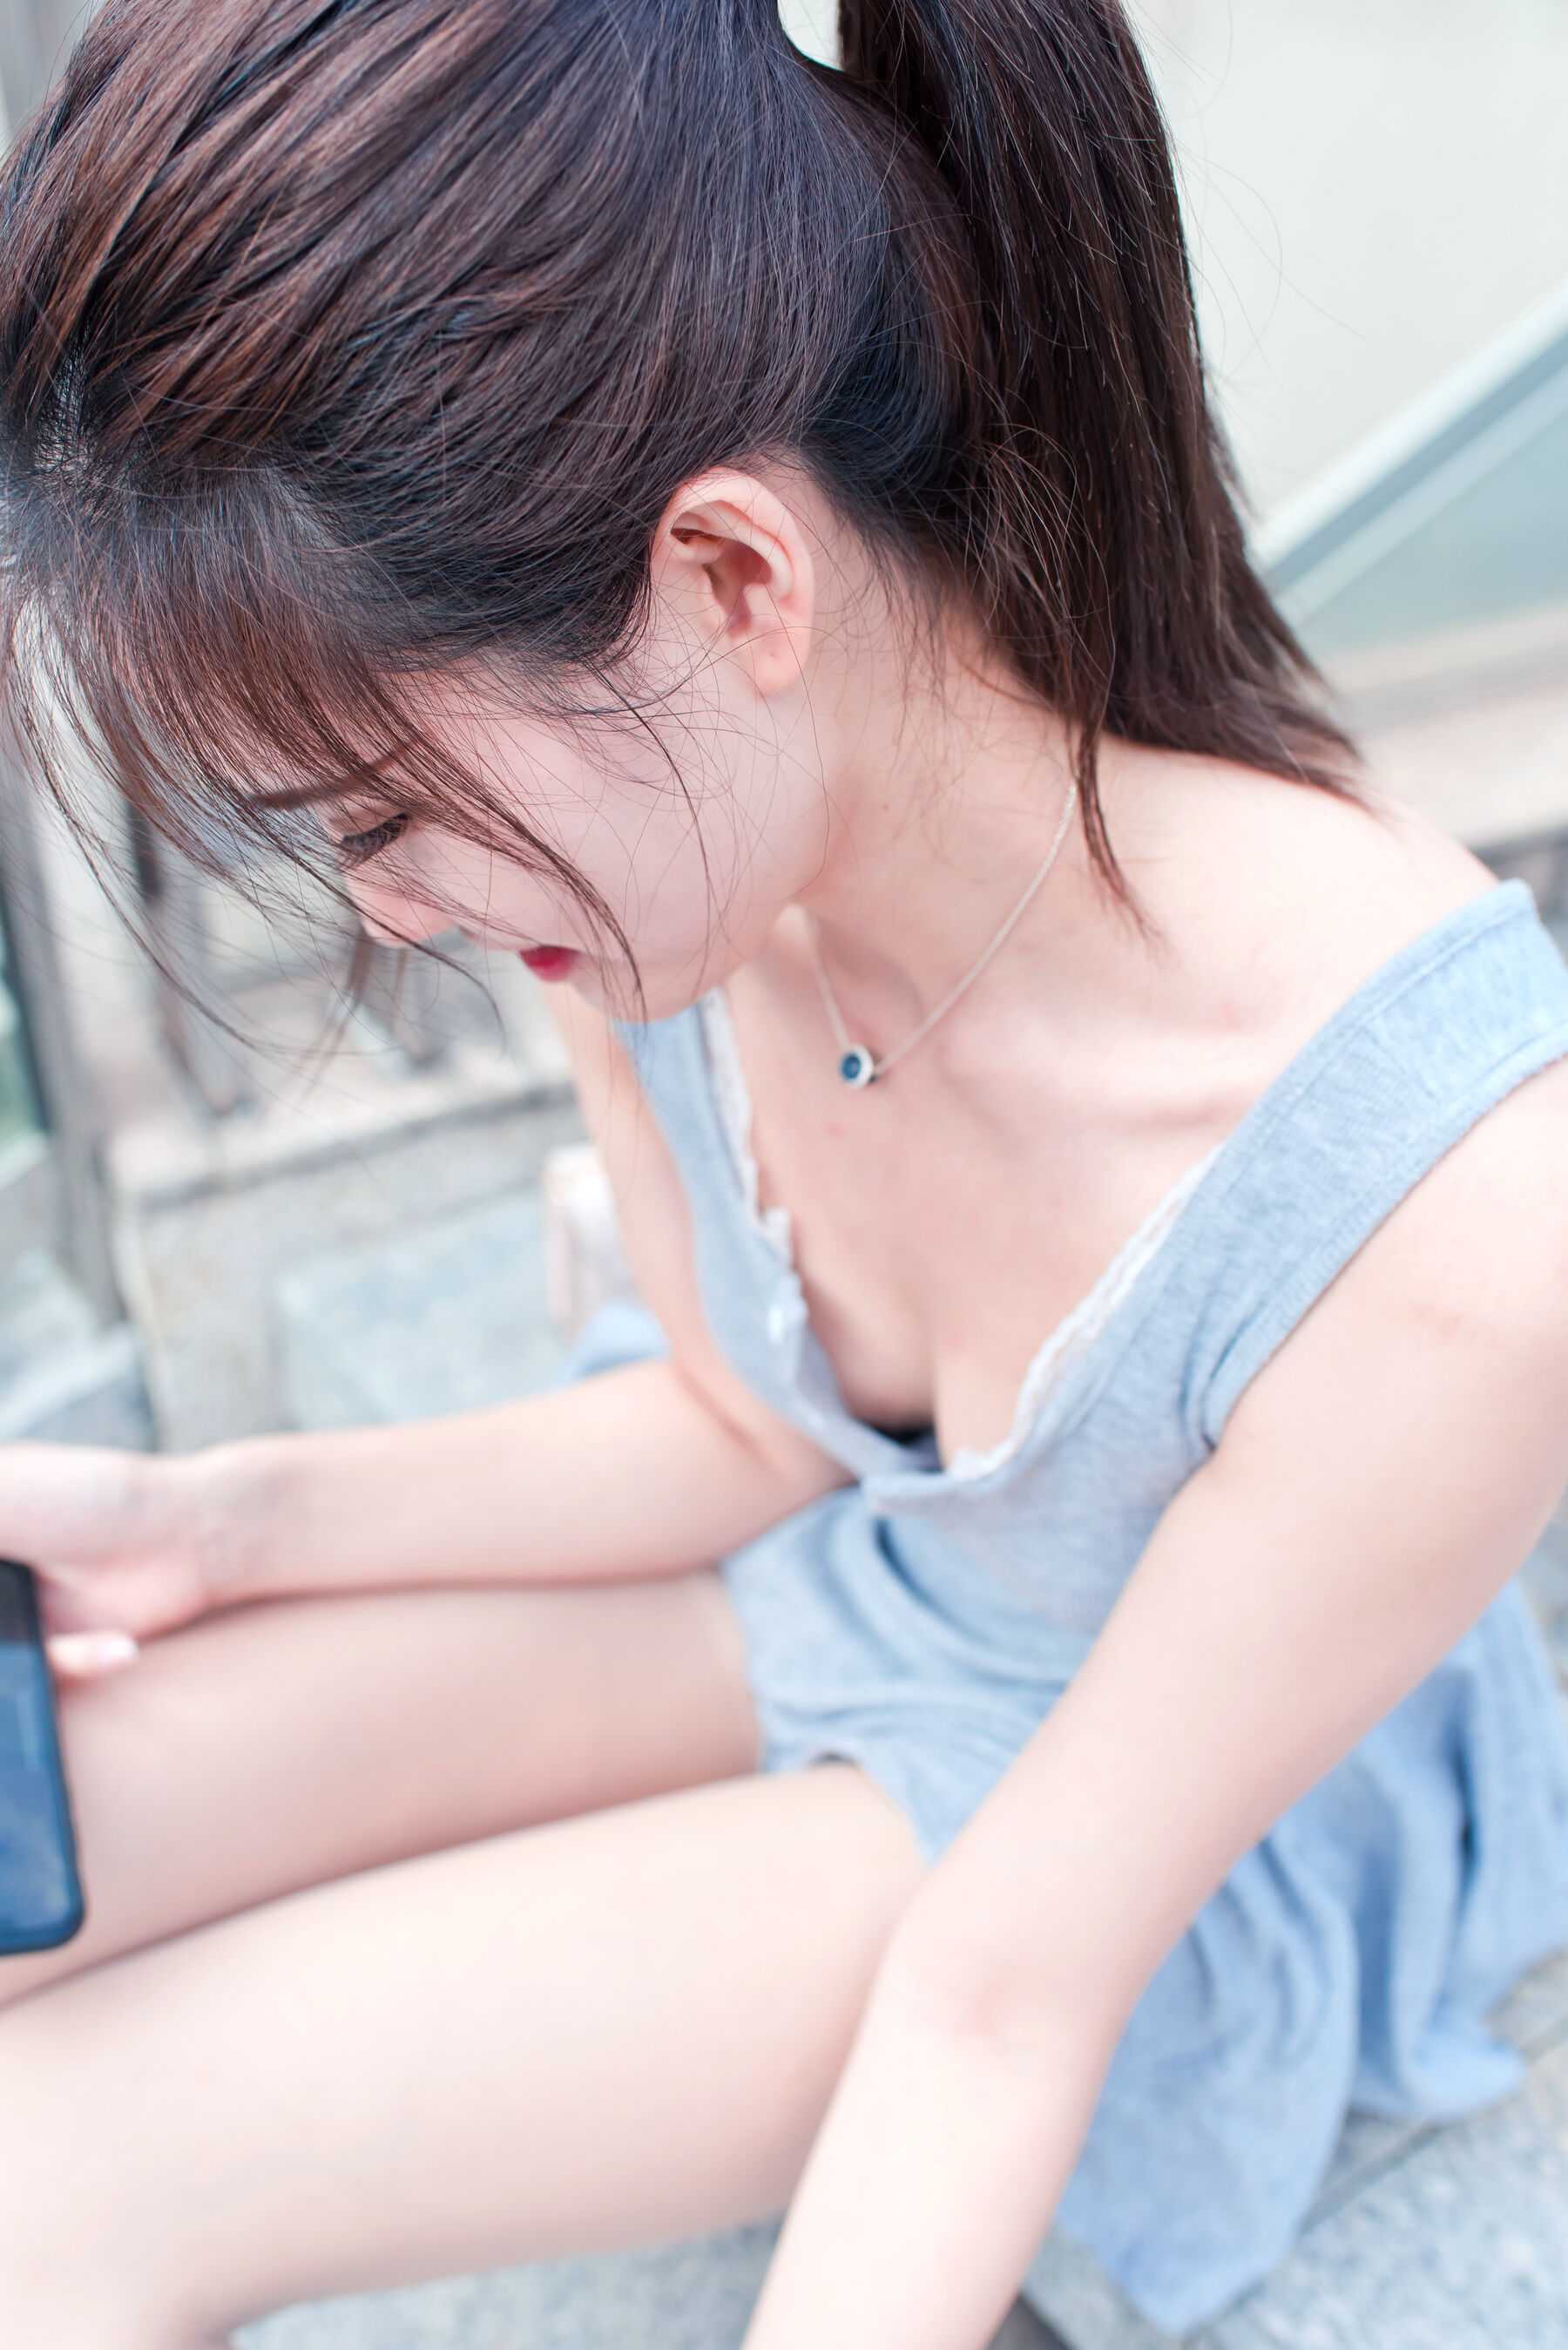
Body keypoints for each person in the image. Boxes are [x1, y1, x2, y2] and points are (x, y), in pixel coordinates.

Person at [2, 2, 1567, 2343]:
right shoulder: (661, 858)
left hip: (1134, 1804)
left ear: (735, 580)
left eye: (379, 816)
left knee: (60, 2177)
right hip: (824, 1570)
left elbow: (1004, 1986)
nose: (389, 913)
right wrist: (217, 1521)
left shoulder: (1458, 1196)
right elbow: (750, 1427)